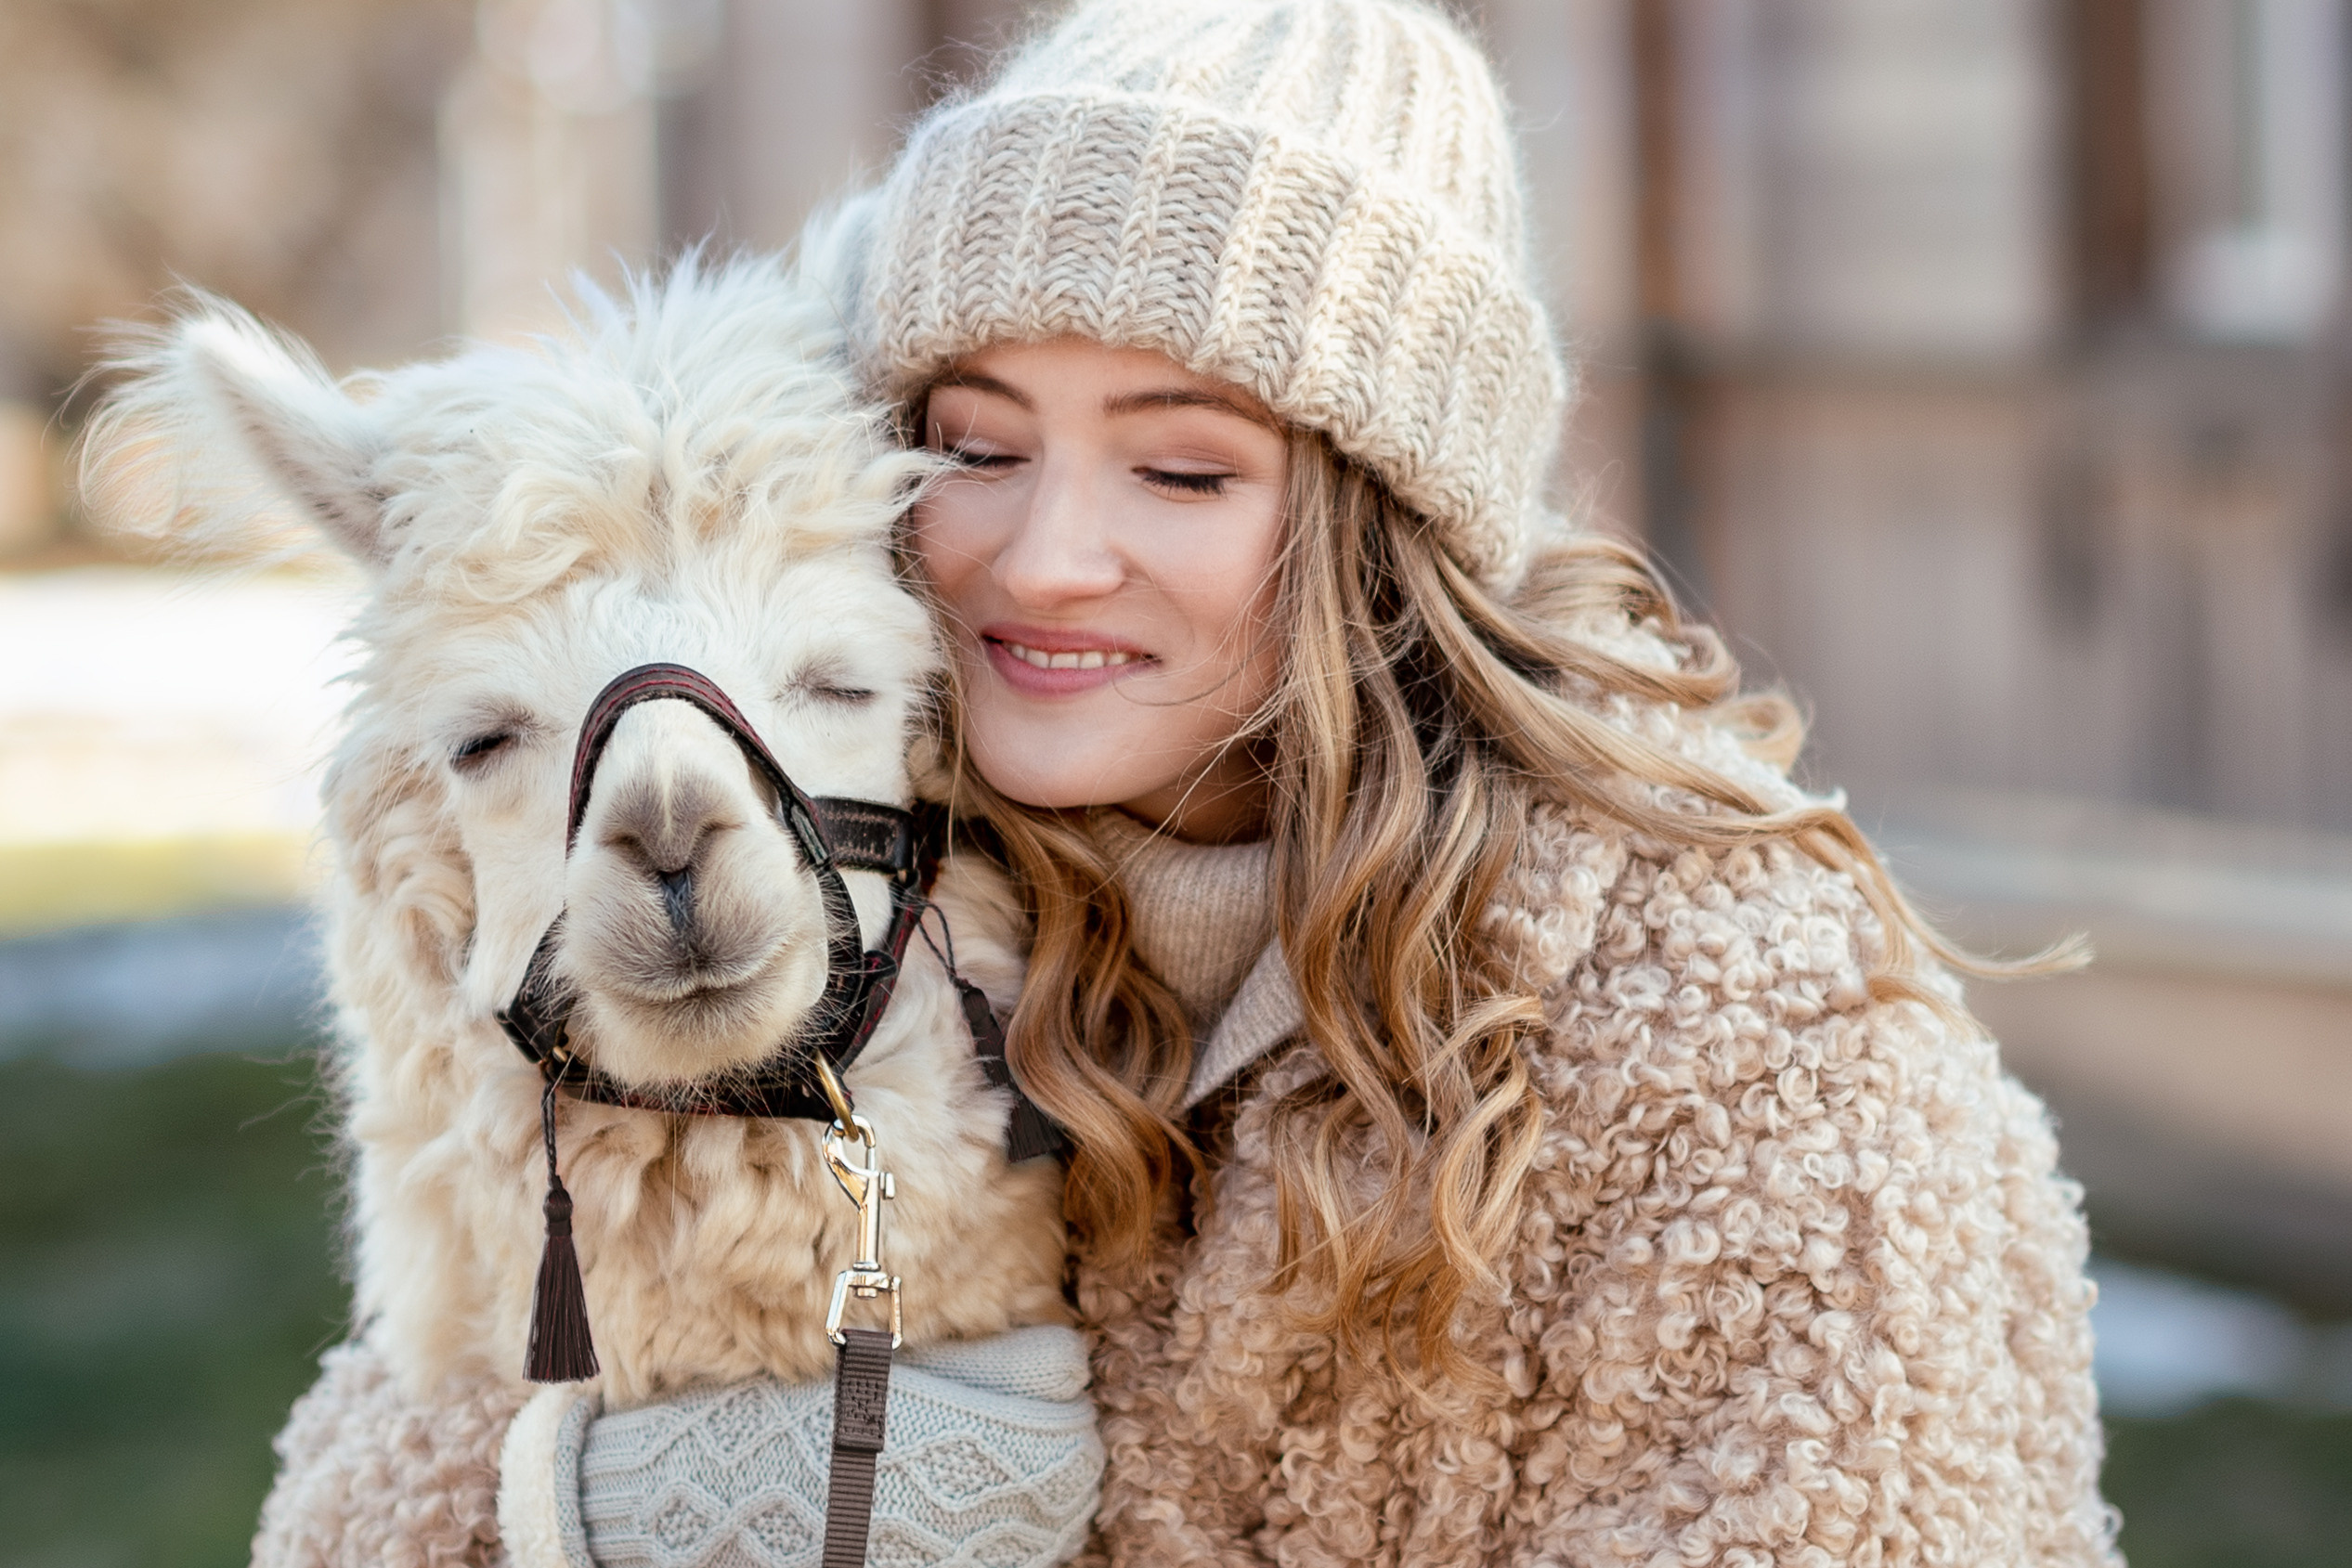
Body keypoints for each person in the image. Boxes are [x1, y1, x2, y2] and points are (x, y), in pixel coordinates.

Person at [258, 1, 2122, 1563]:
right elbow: (435, 1430)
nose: (1046, 557)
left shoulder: (1734, 1044)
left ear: (1373, 518)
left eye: (1181, 471)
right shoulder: (869, 902)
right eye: (977, 446)